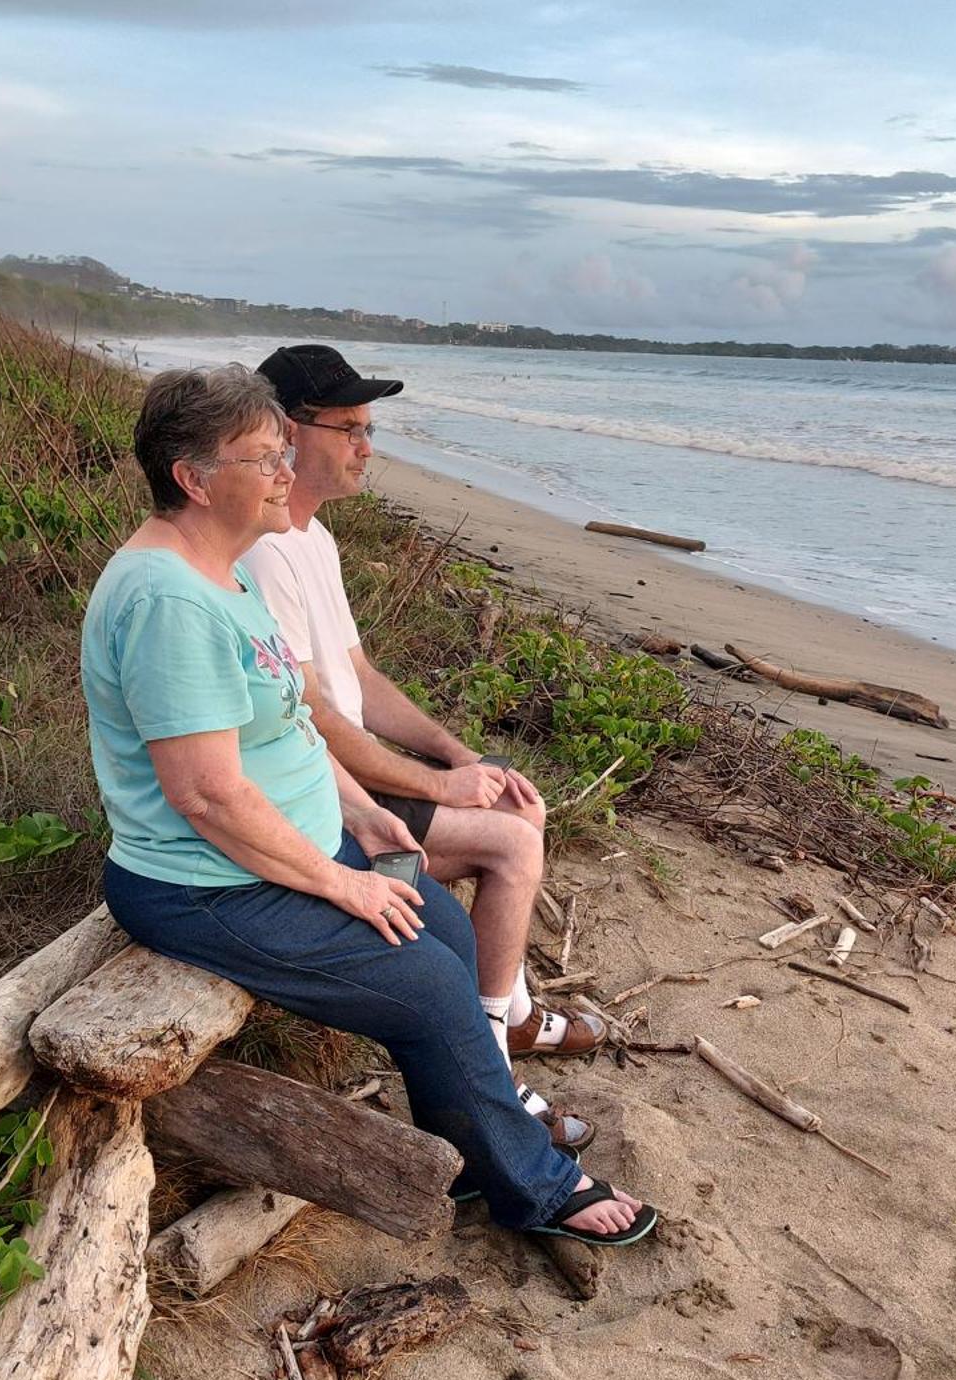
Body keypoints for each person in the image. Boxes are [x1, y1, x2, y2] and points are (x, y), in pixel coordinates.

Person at [80, 361, 656, 1248]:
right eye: (264, 459)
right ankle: (534, 1189)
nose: (285, 473)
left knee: (446, 933)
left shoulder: (219, 571)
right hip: (206, 886)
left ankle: (468, 1151)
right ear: (194, 479)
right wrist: (340, 885)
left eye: (283, 452)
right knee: (427, 985)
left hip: (281, 850)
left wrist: (355, 809)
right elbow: (206, 793)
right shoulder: (168, 600)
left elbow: (289, 723)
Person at [243, 344, 607, 1153]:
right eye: (350, 429)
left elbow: (359, 679)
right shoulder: (263, 551)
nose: (366, 447)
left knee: (505, 791)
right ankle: (490, 1049)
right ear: (286, 434)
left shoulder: (311, 539)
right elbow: (312, 718)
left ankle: (505, 1012)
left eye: (368, 429)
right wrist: (437, 789)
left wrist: (460, 756)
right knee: (510, 843)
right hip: (315, 791)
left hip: (345, 774)